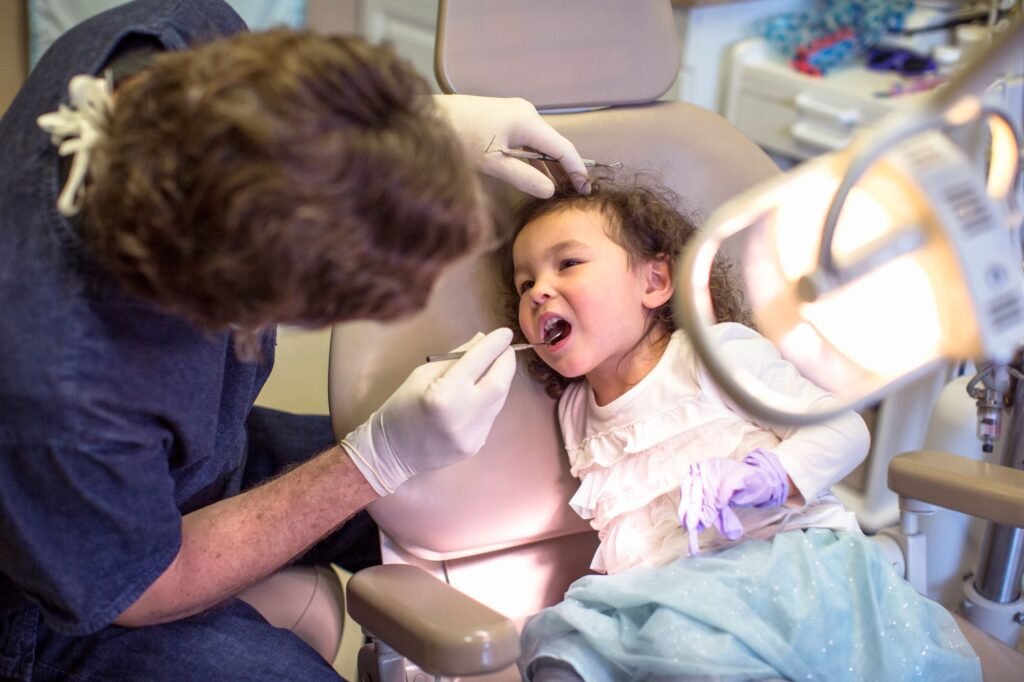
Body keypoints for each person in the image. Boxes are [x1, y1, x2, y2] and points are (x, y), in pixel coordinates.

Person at [0, 1, 591, 680]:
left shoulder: (168, 35)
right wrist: (375, 461)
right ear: (233, 305)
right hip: (57, 575)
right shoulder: (57, 388)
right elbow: (147, 583)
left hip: (193, 455)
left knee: (476, 492)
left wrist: (409, 128)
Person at [500, 177, 982, 681]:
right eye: (524, 284)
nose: (539, 292)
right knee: (560, 653)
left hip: (787, 569)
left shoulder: (714, 354)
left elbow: (845, 429)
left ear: (654, 281)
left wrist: (770, 476)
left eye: (568, 263)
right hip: (669, 595)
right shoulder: (575, 410)